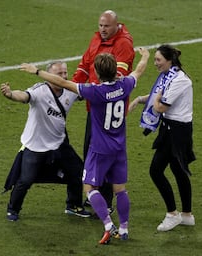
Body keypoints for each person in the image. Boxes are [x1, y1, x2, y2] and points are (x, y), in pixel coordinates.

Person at [19, 47, 150, 244]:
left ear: (96, 72)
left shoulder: (94, 91)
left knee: (89, 188)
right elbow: (138, 70)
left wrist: (37, 71)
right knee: (120, 190)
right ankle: (124, 228)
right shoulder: (126, 85)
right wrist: (145, 55)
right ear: (115, 69)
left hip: (99, 149)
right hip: (120, 147)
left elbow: (62, 82)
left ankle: (108, 224)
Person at [0, 61, 91, 221]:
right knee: (26, 180)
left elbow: (90, 91)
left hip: (59, 143)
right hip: (36, 145)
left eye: (65, 73)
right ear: (49, 77)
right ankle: (13, 209)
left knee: (78, 172)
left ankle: (74, 205)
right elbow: (24, 96)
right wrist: (10, 94)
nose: (63, 76)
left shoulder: (70, 89)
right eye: (59, 74)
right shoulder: (40, 91)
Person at [72, 10, 135, 213]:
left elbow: (118, 76)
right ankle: (96, 196)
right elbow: (85, 64)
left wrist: (90, 90)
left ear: (116, 25)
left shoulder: (123, 44)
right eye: (100, 25)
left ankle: (105, 203)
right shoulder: (97, 39)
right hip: (95, 107)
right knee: (90, 153)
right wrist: (76, 86)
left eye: (106, 26)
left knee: (106, 155)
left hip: (107, 109)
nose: (102, 29)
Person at [129, 44, 196, 232]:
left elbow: (160, 106)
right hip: (173, 128)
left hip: (176, 131)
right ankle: (187, 215)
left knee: (156, 170)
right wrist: (138, 100)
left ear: (169, 60)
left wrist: (155, 99)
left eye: (158, 60)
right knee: (178, 170)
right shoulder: (171, 76)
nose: (156, 64)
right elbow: (156, 97)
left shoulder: (179, 80)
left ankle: (172, 214)